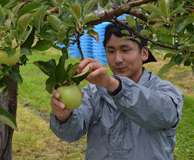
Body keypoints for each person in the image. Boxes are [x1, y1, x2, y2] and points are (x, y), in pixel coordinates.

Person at [49, 22, 184, 160]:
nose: (118, 59)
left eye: (125, 50)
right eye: (111, 51)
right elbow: (71, 134)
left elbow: (163, 115)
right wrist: (63, 116)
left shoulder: (165, 91)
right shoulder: (93, 93)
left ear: (144, 53)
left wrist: (115, 86)